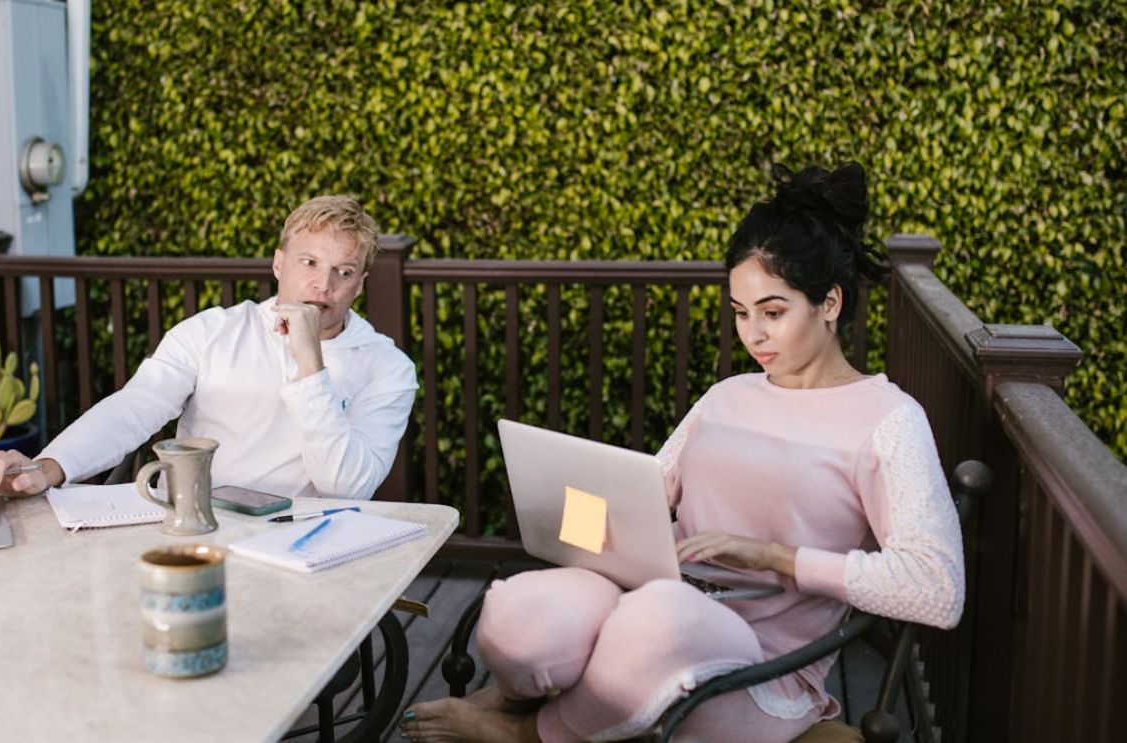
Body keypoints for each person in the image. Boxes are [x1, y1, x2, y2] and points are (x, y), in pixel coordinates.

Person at [401, 163, 965, 743]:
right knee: (518, 614)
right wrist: (581, 514)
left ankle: (526, 734)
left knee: (658, 621)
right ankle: (516, 698)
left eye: (773, 312)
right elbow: (646, 494)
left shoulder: (888, 419)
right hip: (650, 598)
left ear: (829, 304)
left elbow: (936, 587)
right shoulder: (727, 396)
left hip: (757, 669)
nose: (755, 335)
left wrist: (775, 556)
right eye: (741, 313)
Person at [0, 195, 417, 505]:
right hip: (193, 524)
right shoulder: (213, 331)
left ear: (360, 284)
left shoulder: (388, 368)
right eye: (309, 262)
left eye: (343, 271)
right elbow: (136, 407)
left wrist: (310, 364)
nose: (324, 284)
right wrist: (49, 467)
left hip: (305, 542)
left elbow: (345, 488)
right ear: (278, 263)